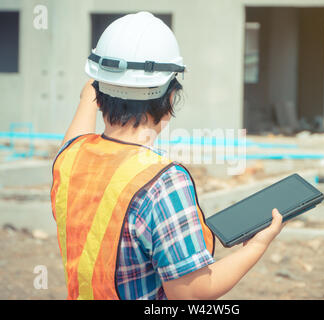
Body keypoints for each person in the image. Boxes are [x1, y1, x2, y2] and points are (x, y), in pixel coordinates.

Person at [51, 11, 285, 300]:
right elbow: (192, 293)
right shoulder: (162, 180)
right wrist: (258, 245)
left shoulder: (70, 160)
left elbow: (84, 110)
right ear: (170, 98)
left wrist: (105, 79)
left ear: (98, 94)